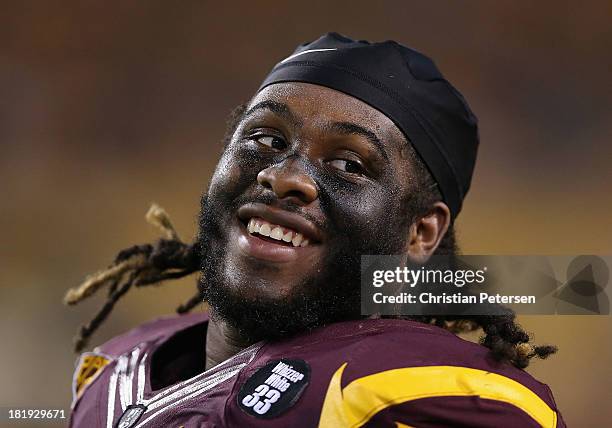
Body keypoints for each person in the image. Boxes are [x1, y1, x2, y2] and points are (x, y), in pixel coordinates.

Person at [66, 33, 565, 427]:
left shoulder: (428, 394)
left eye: (349, 164)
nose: (283, 176)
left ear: (421, 232)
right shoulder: (114, 367)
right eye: (264, 138)